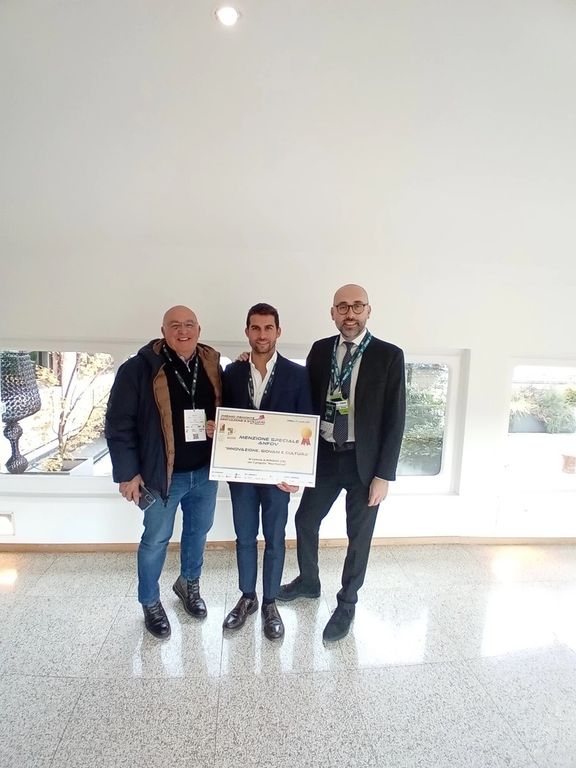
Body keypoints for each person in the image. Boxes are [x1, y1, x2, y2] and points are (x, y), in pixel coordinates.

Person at [278, 284, 406, 642]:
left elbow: (396, 418)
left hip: (365, 463)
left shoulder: (389, 355)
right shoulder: (320, 350)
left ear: (368, 311)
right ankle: (309, 581)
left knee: (358, 536)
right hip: (325, 456)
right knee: (305, 519)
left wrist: (384, 475)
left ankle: (347, 602)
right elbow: (304, 399)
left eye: (357, 306)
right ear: (332, 312)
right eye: (343, 307)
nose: (350, 314)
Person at [105, 305, 222, 640]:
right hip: (161, 475)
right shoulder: (138, 369)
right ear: (163, 331)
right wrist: (128, 474)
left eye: (189, 325)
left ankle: (188, 584)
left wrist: (217, 424)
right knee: (156, 539)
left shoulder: (211, 364)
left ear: (199, 330)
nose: (183, 331)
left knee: (198, 533)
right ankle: (150, 601)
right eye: (175, 325)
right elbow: (118, 425)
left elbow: (226, 408)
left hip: (205, 472)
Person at [222, 303, 313, 640]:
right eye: (256, 328)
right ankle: (247, 597)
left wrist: (299, 475)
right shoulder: (231, 373)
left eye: (268, 328)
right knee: (245, 537)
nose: (262, 335)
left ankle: (270, 602)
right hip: (242, 476)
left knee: (275, 539)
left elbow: (306, 426)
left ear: (278, 331)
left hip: (279, 478)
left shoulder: (298, 374)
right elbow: (222, 414)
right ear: (247, 331)